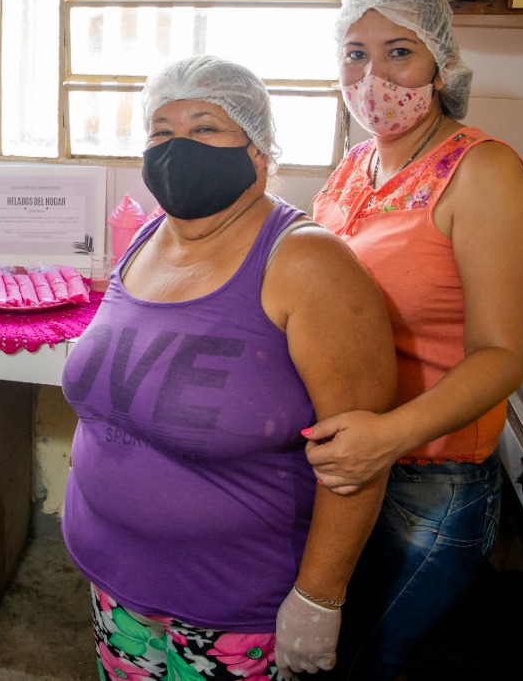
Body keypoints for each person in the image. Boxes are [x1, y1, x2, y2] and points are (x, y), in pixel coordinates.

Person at [60, 54, 398, 680]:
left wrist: (319, 598)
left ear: (259, 150)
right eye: (160, 131)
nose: (176, 147)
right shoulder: (147, 237)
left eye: (205, 128)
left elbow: (358, 455)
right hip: (116, 591)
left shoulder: (307, 265)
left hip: (233, 617)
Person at [306, 0, 523, 680]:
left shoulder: (484, 173)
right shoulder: (356, 166)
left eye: (399, 52)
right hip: (351, 469)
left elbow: (503, 354)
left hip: (429, 485)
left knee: (370, 660)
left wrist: (387, 435)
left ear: (441, 66)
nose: (372, 76)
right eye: (354, 53)